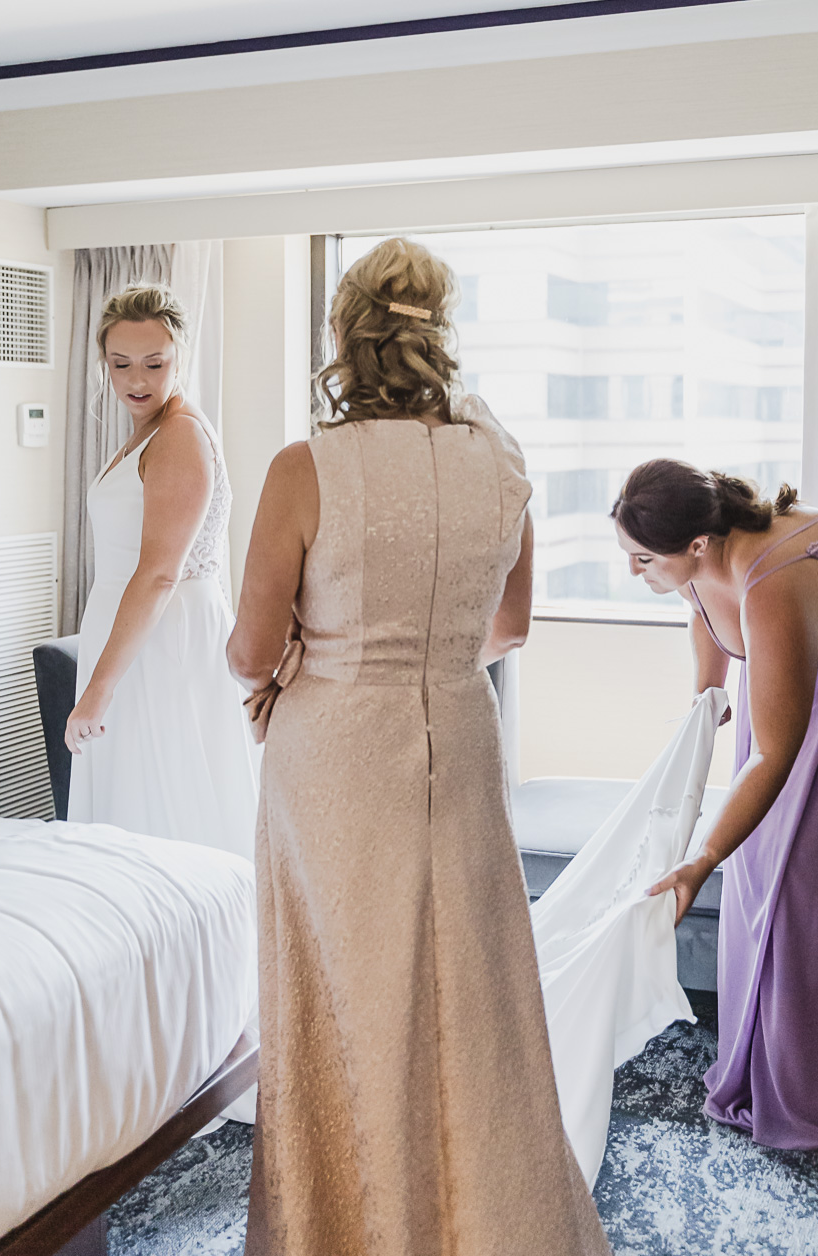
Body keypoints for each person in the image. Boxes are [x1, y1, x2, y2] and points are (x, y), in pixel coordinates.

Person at [228, 238, 609, 1256]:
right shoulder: (501, 462)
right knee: (468, 986)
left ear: (341, 339)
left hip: (336, 753)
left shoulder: (305, 467)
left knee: (345, 986)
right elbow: (510, 630)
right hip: (457, 728)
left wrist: (322, 653)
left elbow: (248, 651)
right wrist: (426, 652)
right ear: (440, 335)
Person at [612, 458, 818, 1149]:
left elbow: (774, 755)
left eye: (643, 559)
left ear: (697, 543)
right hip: (789, 693)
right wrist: (705, 703)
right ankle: (758, 1064)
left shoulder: (777, 581)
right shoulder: (699, 553)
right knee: (757, 874)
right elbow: (704, 621)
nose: (635, 573)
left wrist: (701, 862)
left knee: (813, 893)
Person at [65, 284, 259, 861]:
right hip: (135, 639)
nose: (137, 379)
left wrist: (99, 689)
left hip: (163, 643)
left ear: (181, 356)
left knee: (167, 812)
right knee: (138, 804)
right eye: (121, 364)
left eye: (155, 363)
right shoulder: (148, 430)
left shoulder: (178, 435)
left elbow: (158, 574)